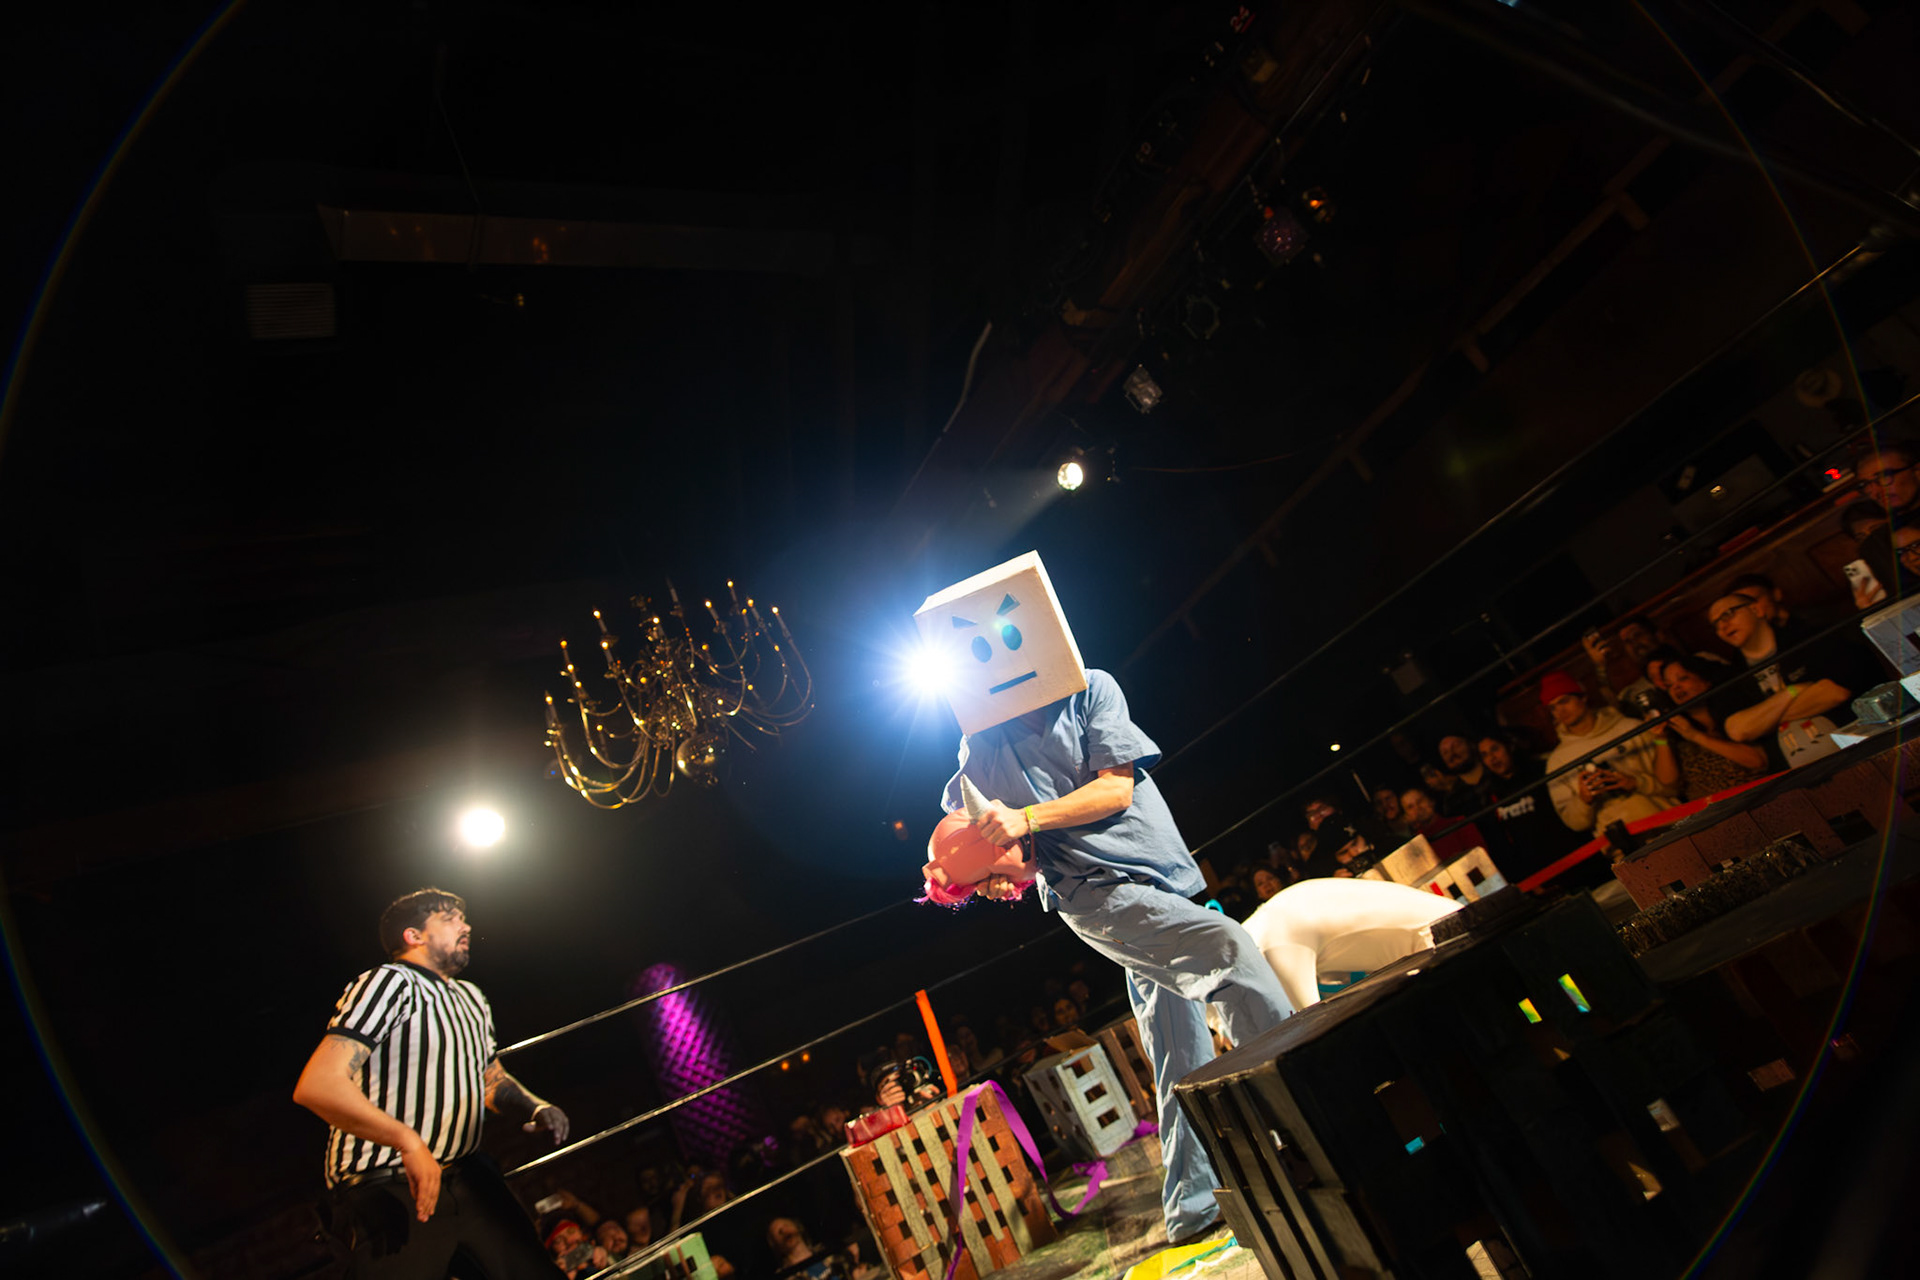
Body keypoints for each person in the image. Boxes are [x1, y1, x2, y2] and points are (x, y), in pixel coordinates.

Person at [946, 669, 1292, 1242]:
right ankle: (1304, 1118)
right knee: (1228, 951)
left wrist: (1025, 820)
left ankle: (1192, 1203)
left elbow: (1115, 790)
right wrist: (978, 875)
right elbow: (989, 845)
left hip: (1156, 875)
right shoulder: (980, 743)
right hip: (1097, 895)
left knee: (1178, 1046)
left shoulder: (1089, 688)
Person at [293, 888, 571, 1279]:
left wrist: (535, 1106)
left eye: (463, 918)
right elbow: (318, 1084)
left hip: (468, 1178)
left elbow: (489, 1078)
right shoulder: (389, 983)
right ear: (414, 935)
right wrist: (408, 1141)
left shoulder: (472, 998)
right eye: (449, 918)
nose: (466, 926)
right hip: (388, 1182)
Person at [1707, 588, 1885, 766]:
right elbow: (1738, 730)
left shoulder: (1808, 640)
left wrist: (1763, 722)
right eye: (1715, 625)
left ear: (1756, 610)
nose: (1722, 627)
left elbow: (1834, 693)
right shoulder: (1731, 678)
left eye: (1727, 615)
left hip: (1862, 751)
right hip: (1798, 771)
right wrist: (1792, 692)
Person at [1539, 672, 1678, 842]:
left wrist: (1635, 782)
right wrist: (1584, 800)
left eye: (1564, 701)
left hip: (1668, 825)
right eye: (1552, 708)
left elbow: (1674, 786)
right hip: (1621, 845)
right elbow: (1574, 823)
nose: (1560, 711)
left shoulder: (1629, 728)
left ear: (1583, 697)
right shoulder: (1557, 760)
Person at [1652, 654, 1771, 800]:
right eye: (1669, 685)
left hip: (1758, 797)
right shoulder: (1676, 732)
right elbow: (1668, 782)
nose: (1676, 687)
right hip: (1713, 809)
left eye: (1683, 678)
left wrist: (1696, 736)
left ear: (1705, 680)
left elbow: (1758, 761)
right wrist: (1661, 739)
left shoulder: (1735, 714)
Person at [1477, 732, 1587, 882]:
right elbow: (1504, 844)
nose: (1492, 758)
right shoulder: (1490, 795)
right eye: (1484, 755)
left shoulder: (1540, 772)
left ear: (1509, 747)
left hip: (1571, 856)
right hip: (1538, 872)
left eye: (1495, 749)